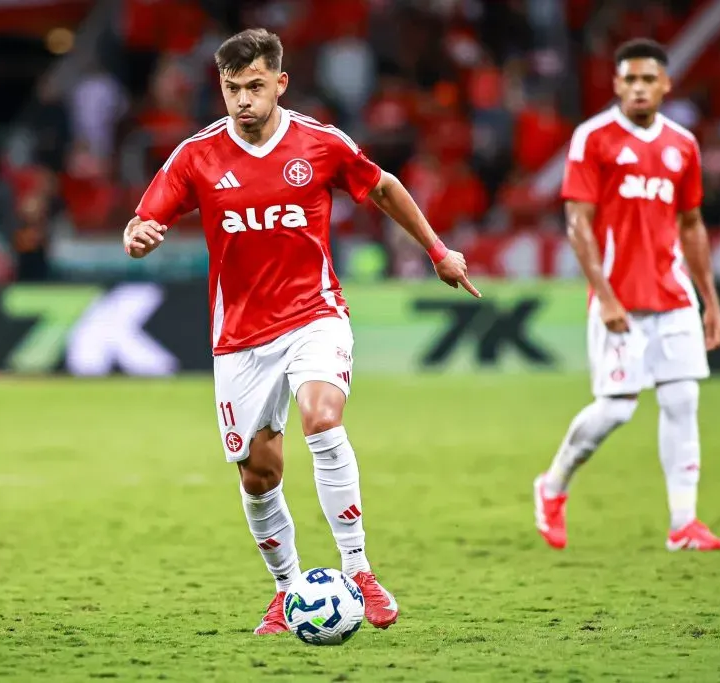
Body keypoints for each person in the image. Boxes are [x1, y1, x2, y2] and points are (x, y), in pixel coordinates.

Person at [123, 28, 479, 634]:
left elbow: (384, 187)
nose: (243, 101)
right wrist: (137, 233)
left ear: (280, 84)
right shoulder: (196, 156)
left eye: (255, 87)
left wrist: (438, 251)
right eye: (232, 89)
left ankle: (359, 569)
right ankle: (289, 593)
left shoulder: (318, 143)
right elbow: (144, 216)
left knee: (321, 416)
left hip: (314, 314)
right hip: (239, 337)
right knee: (259, 476)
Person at [533, 38, 720, 552]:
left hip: (675, 296)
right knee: (616, 409)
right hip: (620, 298)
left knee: (683, 398)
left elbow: (692, 225)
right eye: (630, 79)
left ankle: (683, 523)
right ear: (617, 84)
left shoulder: (683, 144)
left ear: (665, 84)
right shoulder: (593, 138)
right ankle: (552, 486)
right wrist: (606, 296)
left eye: (649, 79)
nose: (639, 88)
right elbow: (578, 224)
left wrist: (710, 299)